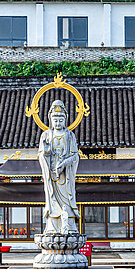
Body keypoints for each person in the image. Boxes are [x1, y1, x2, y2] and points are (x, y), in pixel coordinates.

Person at [38, 100, 80, 234]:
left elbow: (75, 156)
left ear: (65, 120)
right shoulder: (46, 135)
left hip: (65, 176)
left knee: (67, 199)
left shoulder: (69, 135)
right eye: (55, 120)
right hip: (51, 175)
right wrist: (45, 151)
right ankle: (52, 227)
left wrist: (64, 164)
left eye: (60, 120)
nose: (58, 123)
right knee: (51, 198)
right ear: (50, 120)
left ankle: (70, 226)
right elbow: (41, 155)